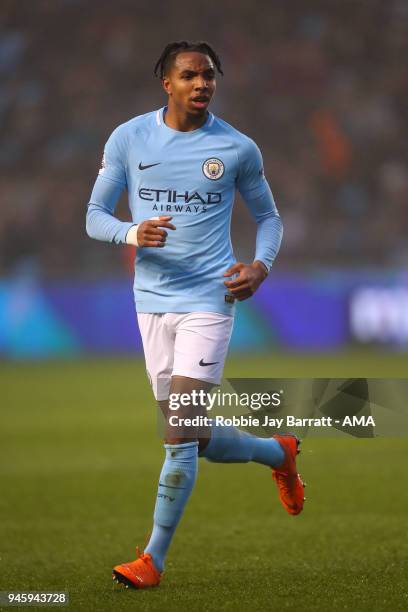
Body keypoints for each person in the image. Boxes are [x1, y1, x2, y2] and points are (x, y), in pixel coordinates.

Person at [86, 40, 305, 590]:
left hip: (211, 301)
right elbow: (93, 216)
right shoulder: (129, 138)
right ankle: (276, 451)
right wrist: (132, 231)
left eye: (209, 75)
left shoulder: (236, 148)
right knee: (193, 434)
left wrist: (261, 266)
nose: (201, 84)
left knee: (180, 434)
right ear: (166, 82)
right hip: (151, 301)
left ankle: (152, 560)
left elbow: (269, 219)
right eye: (189, 75)